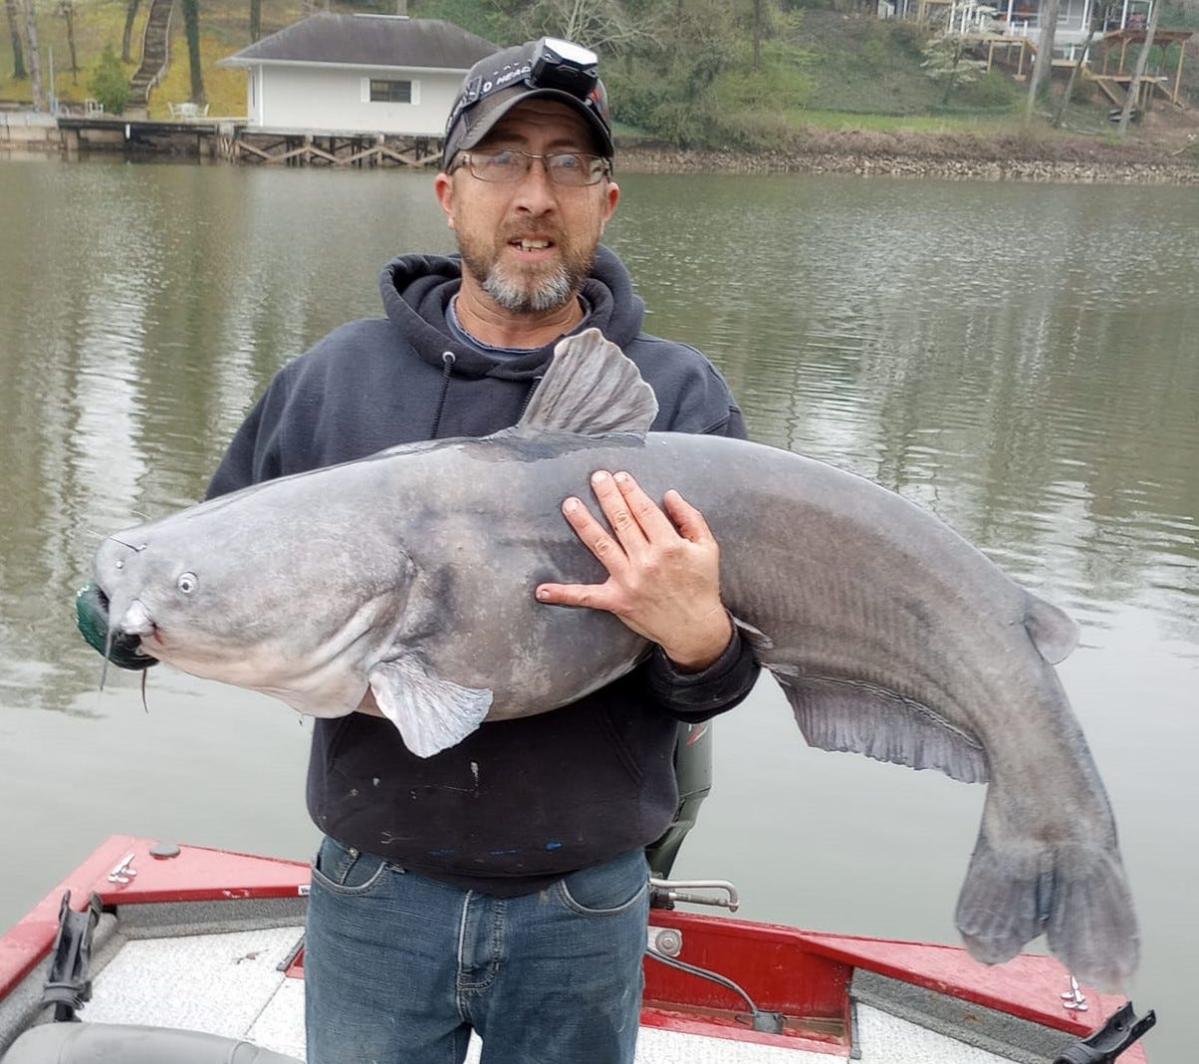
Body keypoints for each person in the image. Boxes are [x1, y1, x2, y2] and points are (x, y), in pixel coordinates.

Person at [205, 37, 760, 1064]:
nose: (533, 196)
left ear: (606, 201)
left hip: (586, 902)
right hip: (375, 887)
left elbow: (725, 676)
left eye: (566, 164)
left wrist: (698, 641)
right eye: (503, 159)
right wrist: (131, 609)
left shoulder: (679, 404)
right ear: (448, 192)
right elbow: (217, 560)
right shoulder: (334, 381)